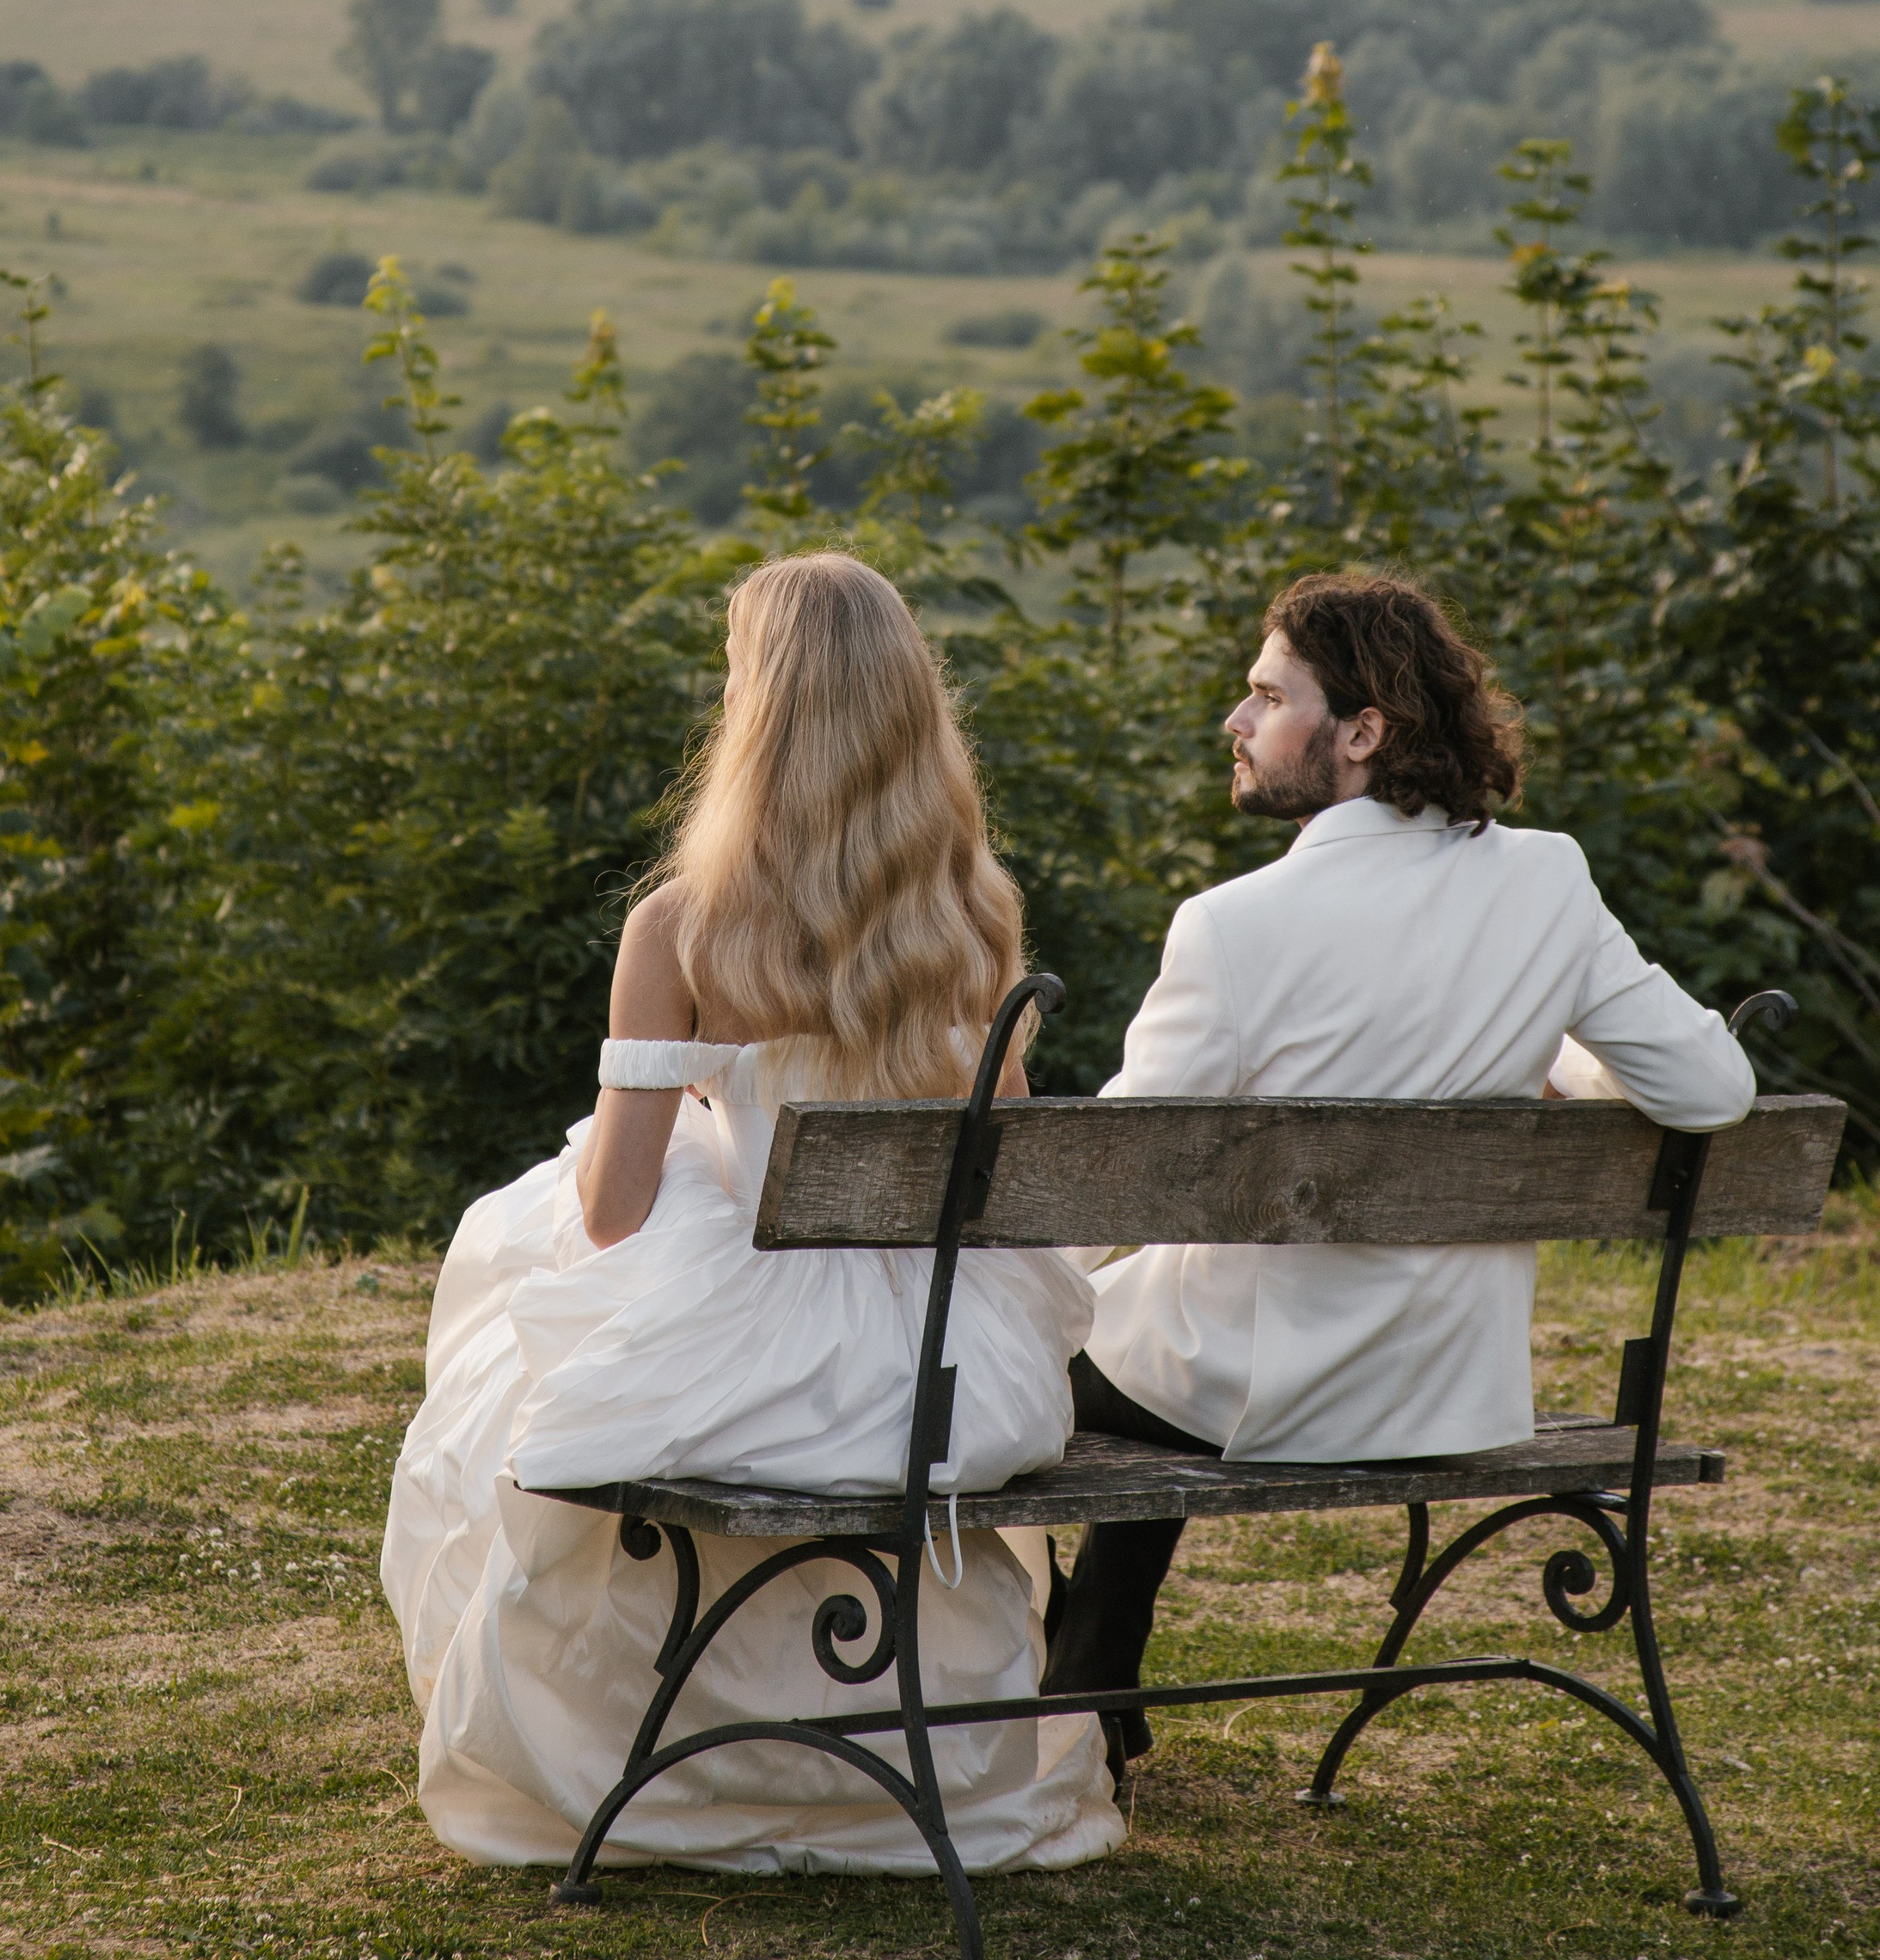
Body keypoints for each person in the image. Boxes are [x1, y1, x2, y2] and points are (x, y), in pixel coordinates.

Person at [383, 551, 1123, 1876]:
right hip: (946, 1368)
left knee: (522, 1241)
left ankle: (667, 1753)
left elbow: (612, 1213)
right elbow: (991, 1163)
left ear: (756, 717)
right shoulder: (974, 914)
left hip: (757, 1358)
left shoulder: (684, 927)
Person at [1044, 569, 1756, 1743]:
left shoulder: (1233, 925)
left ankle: (1077, 1682)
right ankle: (1088, 1681)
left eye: (1267, 696)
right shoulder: (1547, 879)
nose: (1238, 720)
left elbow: (1104, 1182)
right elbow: (1713, 1084)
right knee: (1134, 1323)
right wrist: (1565, 1066)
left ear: (1362, 733)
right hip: (1448, 1390)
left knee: (1027, 1349)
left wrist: (994, 1294)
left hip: (1260, 1394)